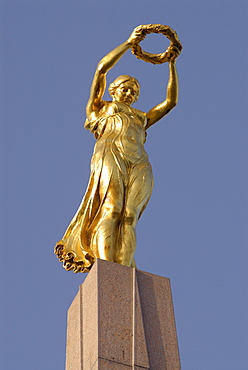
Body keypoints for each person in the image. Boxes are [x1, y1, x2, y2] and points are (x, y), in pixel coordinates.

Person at [54, 26, 180, 273]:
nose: (129, 93)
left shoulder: (142, 117)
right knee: (111, 210)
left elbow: (170, 103)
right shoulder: (100, 108)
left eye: (134, 91)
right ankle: (107, 270)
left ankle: (125, 271)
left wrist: (171, 64)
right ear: (113, 90)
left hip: (139, 161)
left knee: (130, 216)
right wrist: (129, 42)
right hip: (110, 154)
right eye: (124, 88)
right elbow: (101, 68)